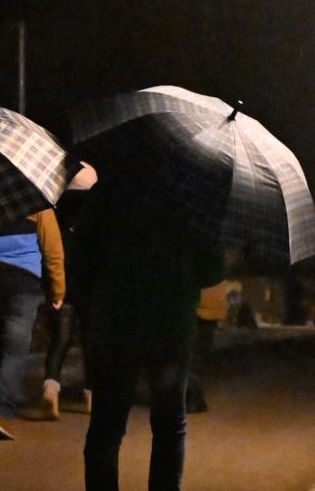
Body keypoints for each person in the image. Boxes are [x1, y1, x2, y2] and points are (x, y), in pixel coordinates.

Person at [77, 180, 223, 491]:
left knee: (107, 424)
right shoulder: (192, 198)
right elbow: (212, 271)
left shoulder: (108, 193)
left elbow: (80, 261)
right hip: (170, 324)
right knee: (170, 424)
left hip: (115, 321)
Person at [0, 207, 66, 439]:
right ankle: (1, 412)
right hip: (23, 283)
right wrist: (57, 289)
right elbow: (53, 249)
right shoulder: (37, 205)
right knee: (15, 349)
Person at [40, 169, 99, 419]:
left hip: (62, 284)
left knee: (60, 339)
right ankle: (91, 396)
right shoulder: (97, 219)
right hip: (90, 287)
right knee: (91, 342)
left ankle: (51, 388)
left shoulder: (55, 214)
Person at [185, 277, 230, 414]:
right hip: (210, 310)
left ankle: (191, 399)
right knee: (196, 356)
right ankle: (194, 399)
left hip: (196, 309)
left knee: (188, 357)